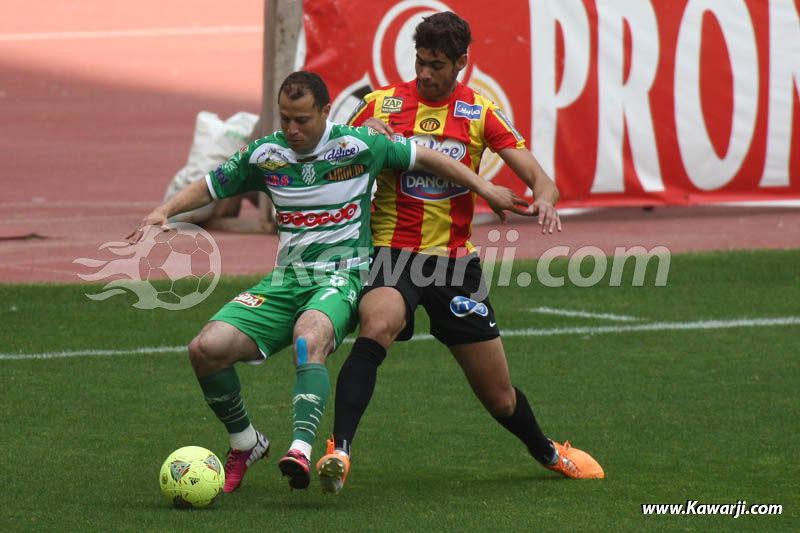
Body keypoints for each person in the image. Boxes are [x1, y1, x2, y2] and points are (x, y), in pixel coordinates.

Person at [127, 71, 529, 492]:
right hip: (285, 281)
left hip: (343, 277)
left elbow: (427, 158)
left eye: (302, 119)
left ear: (325, 111)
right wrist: (165, 210)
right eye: (285, 119)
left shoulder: (359, 145)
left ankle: (300, 450)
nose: (292, 129)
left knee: (308, 338)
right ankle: (245, 442)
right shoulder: (265, 154)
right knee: (205, 349)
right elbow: (211, 185)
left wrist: (485, 187)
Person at [315, 12, 604, 495]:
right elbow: (330, 164)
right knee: (378, 323)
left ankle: (549, 452)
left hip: (454, 265)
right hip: (393, 254)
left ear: (461, 63)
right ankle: (339, 451)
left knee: (499, 398)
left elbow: (541, 178)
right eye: (420, 62)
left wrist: (546, 199)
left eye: (437, 65)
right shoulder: (380, 106)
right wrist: (358, 145)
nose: (425, 73)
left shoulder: (479, 112)